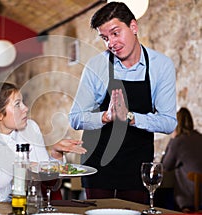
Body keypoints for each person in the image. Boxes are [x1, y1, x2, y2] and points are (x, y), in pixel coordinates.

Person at [68, 2, 177, 204]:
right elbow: (75, 118)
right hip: (97, 165)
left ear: (133, 27)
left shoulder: (161, 66)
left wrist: (130, 117)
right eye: (105, 38)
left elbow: (169, 122)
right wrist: (106, 116)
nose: (111, 43)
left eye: (115, 33)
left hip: (137, 167)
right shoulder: (97, 65)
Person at [0, 82, 87, 202]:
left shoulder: (31, 128)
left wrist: (56, 155)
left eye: (22, 102)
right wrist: (19, 175)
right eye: (17, 104)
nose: (25, 108)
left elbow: (51, 185)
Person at [162, 107, 202, 212]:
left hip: (189, 198)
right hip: (200, 195)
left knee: (162, 196)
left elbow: (165, 166)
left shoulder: (178, 141)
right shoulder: (200, 137)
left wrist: (172, 139)